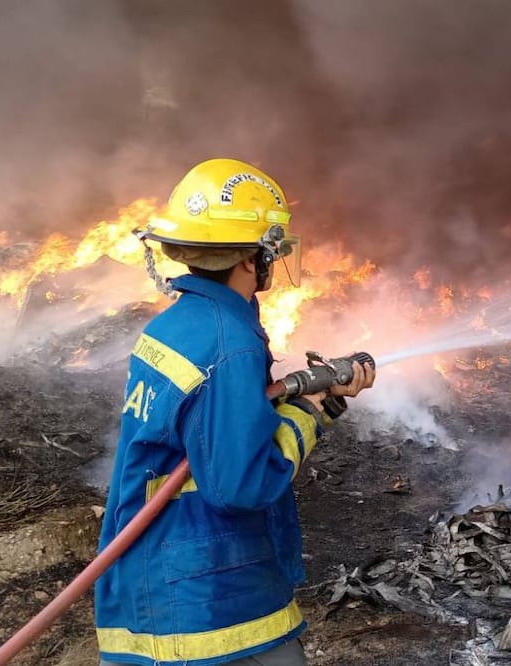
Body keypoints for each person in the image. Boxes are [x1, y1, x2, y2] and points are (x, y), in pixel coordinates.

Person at [94, 158, 374, 666]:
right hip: (205, 596)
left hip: (153, 575)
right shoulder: (230, 344)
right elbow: (240, 485)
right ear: (251, 257)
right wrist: (310, 411)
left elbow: (208, 426)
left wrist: (317, 398)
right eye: (273, 249)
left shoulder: (175, 325)